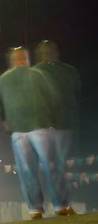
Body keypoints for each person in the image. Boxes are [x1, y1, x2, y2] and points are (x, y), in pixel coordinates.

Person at [0, 46, 74, 219]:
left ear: (12, 61)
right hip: (41, 128)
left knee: (26, 171)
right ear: (26, 59)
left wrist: (9, 125)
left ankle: (35, 209)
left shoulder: (2, 80)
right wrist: (55, 123)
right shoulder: (38, 75)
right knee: (51, 167)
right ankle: (61, 205)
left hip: (18, 133)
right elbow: (54, 99)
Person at [34, 40, 81, 168]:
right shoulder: (70, 71)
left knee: (47, 162)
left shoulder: (33, 73)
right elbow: (78, 93)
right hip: (62, 123)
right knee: (60, 161)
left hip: (47, 124)